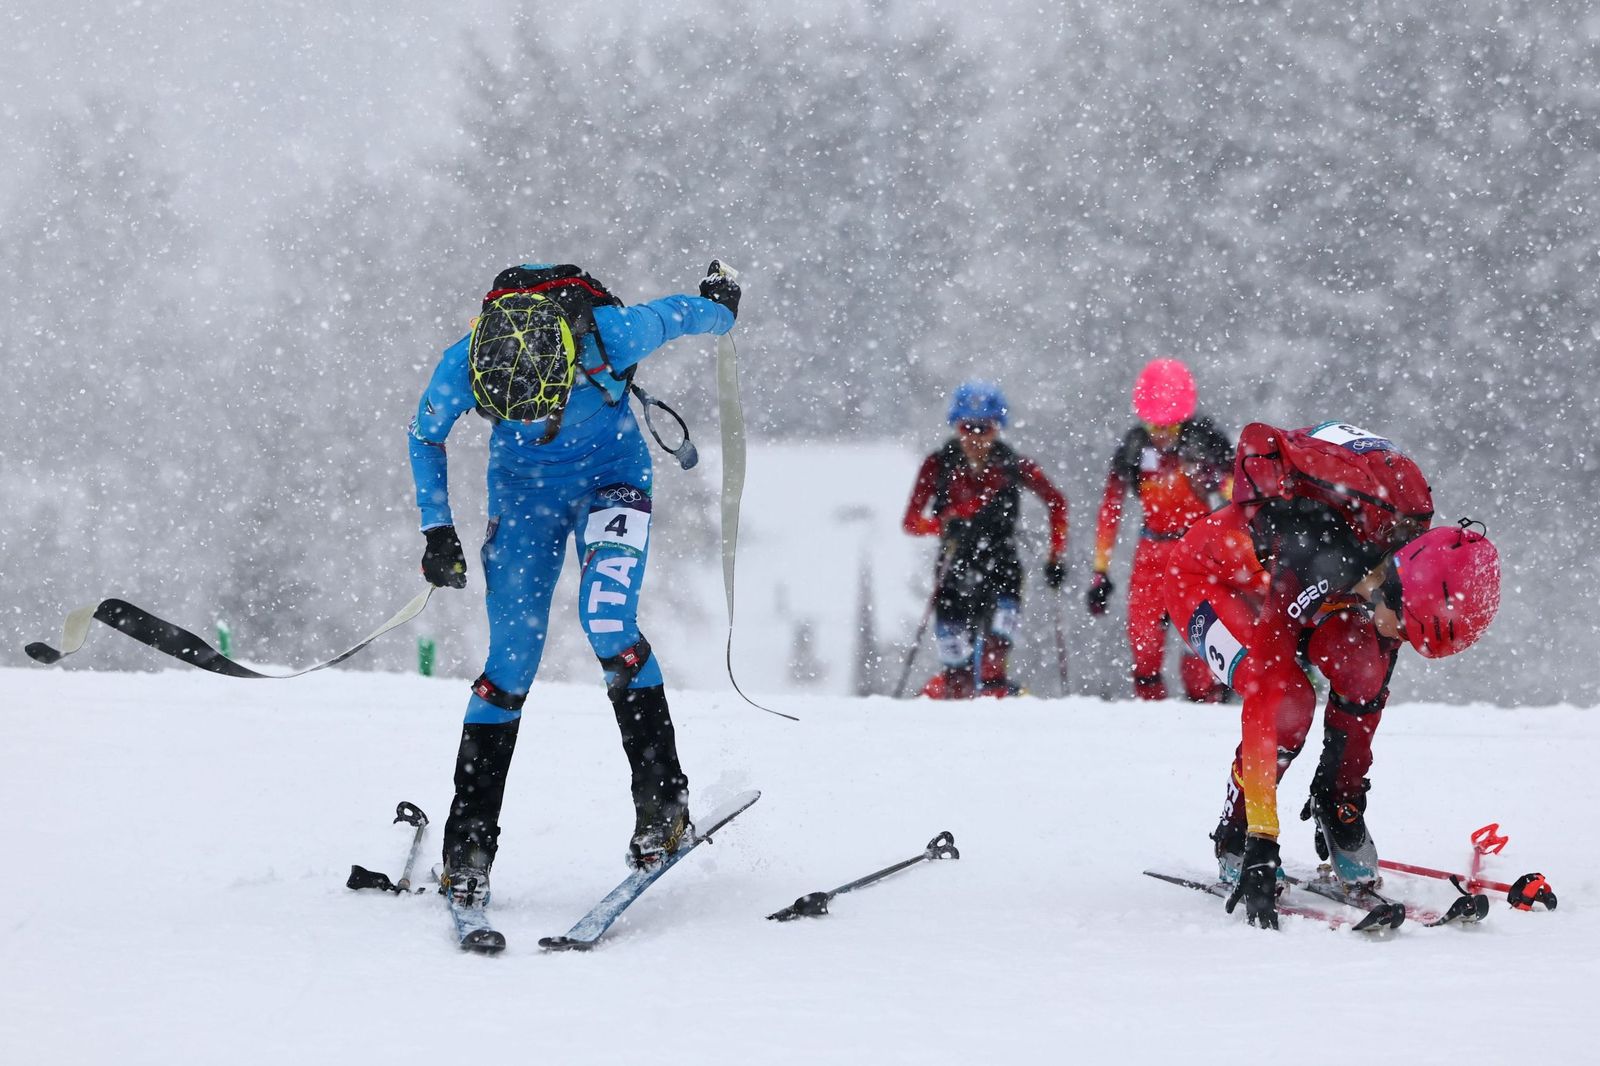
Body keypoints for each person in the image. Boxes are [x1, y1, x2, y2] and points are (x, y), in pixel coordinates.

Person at [407, 260, 740, 911]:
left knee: (608, 621)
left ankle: (663, 805)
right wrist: (436, 529)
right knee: (510, 663)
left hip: (613, 478)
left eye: (544, 407)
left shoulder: (612, 334)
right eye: (514, 414)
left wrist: (721, 307)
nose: (534, 421)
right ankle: (468, 844)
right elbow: (425, 435)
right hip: (522, 495)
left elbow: (680, 315)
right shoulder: (466, 362)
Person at [1164, 420, 1500, 929]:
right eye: (1406, 628)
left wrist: (1340, 787)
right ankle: (1234, 834)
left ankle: (1337, 805)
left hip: (1310, 583)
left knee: (1366, 665)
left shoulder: (1406, 538)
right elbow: (1262, 705)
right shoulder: (1312, 554)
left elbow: (1379, 666)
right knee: (1291, 704)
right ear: (1397, 590)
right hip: (1210, 581)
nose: (1401, 639)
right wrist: (1262, 839)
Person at [901, 380, 1069, 699]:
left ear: (997, 428)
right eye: (968, 428)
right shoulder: (938, 464)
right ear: (956, 426)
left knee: (993, 665)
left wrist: (1055, 556)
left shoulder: (1012, 465)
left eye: (985, 429)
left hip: (1002, 569)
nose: (975, 438)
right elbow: (911, 522)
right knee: (958, 675)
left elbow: (1057, 503)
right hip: (953, 572)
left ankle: (999, 711)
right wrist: (943, 526)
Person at [1087, 358, 1233, 701]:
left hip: (1198, 553)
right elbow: (1111, 507)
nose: (1161, 433)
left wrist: (1217, 480)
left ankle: (1207, 704)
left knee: (1201, 650)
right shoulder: (1135, 446)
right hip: (1152, 554)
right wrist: (1100, 570)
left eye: (1170, 425)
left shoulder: (1205, 440)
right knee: (1144, 646)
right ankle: (1150, 716)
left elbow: (1241, 495)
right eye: (1153, 424)